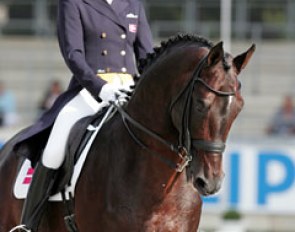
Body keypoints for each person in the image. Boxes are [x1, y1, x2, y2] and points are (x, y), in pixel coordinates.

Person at [11, 0, 153, 231]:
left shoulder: (132, 4)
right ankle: (29, 224)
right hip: (90, 89)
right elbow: (73, 55)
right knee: (55, 146)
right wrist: (100, 87)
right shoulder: (74, 3)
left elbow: (147, 56)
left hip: (130, 90)